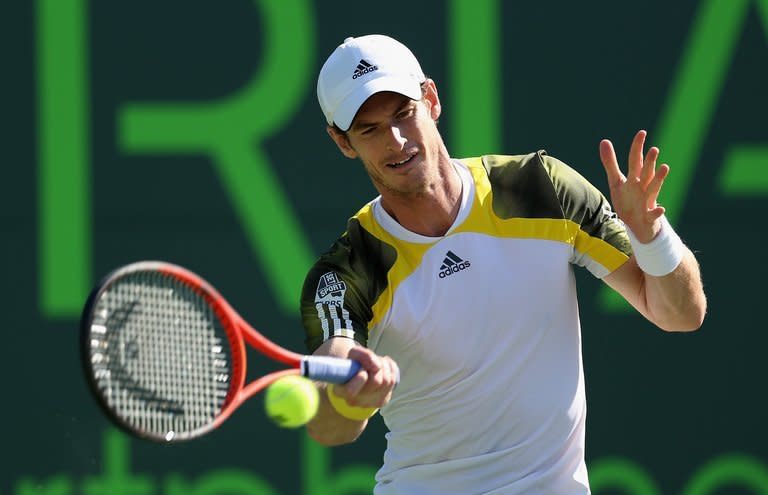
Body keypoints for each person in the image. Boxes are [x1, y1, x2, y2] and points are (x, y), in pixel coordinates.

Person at [299, 34, 706, 494]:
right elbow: (327, 425)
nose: (395, 141)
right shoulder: (347, 269)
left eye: (403, 113)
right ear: (343, 142)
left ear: (431, 99)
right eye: (369, 129)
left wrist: (651, 237)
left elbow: (680, 314)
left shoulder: (537, 187)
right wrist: (352, 397)